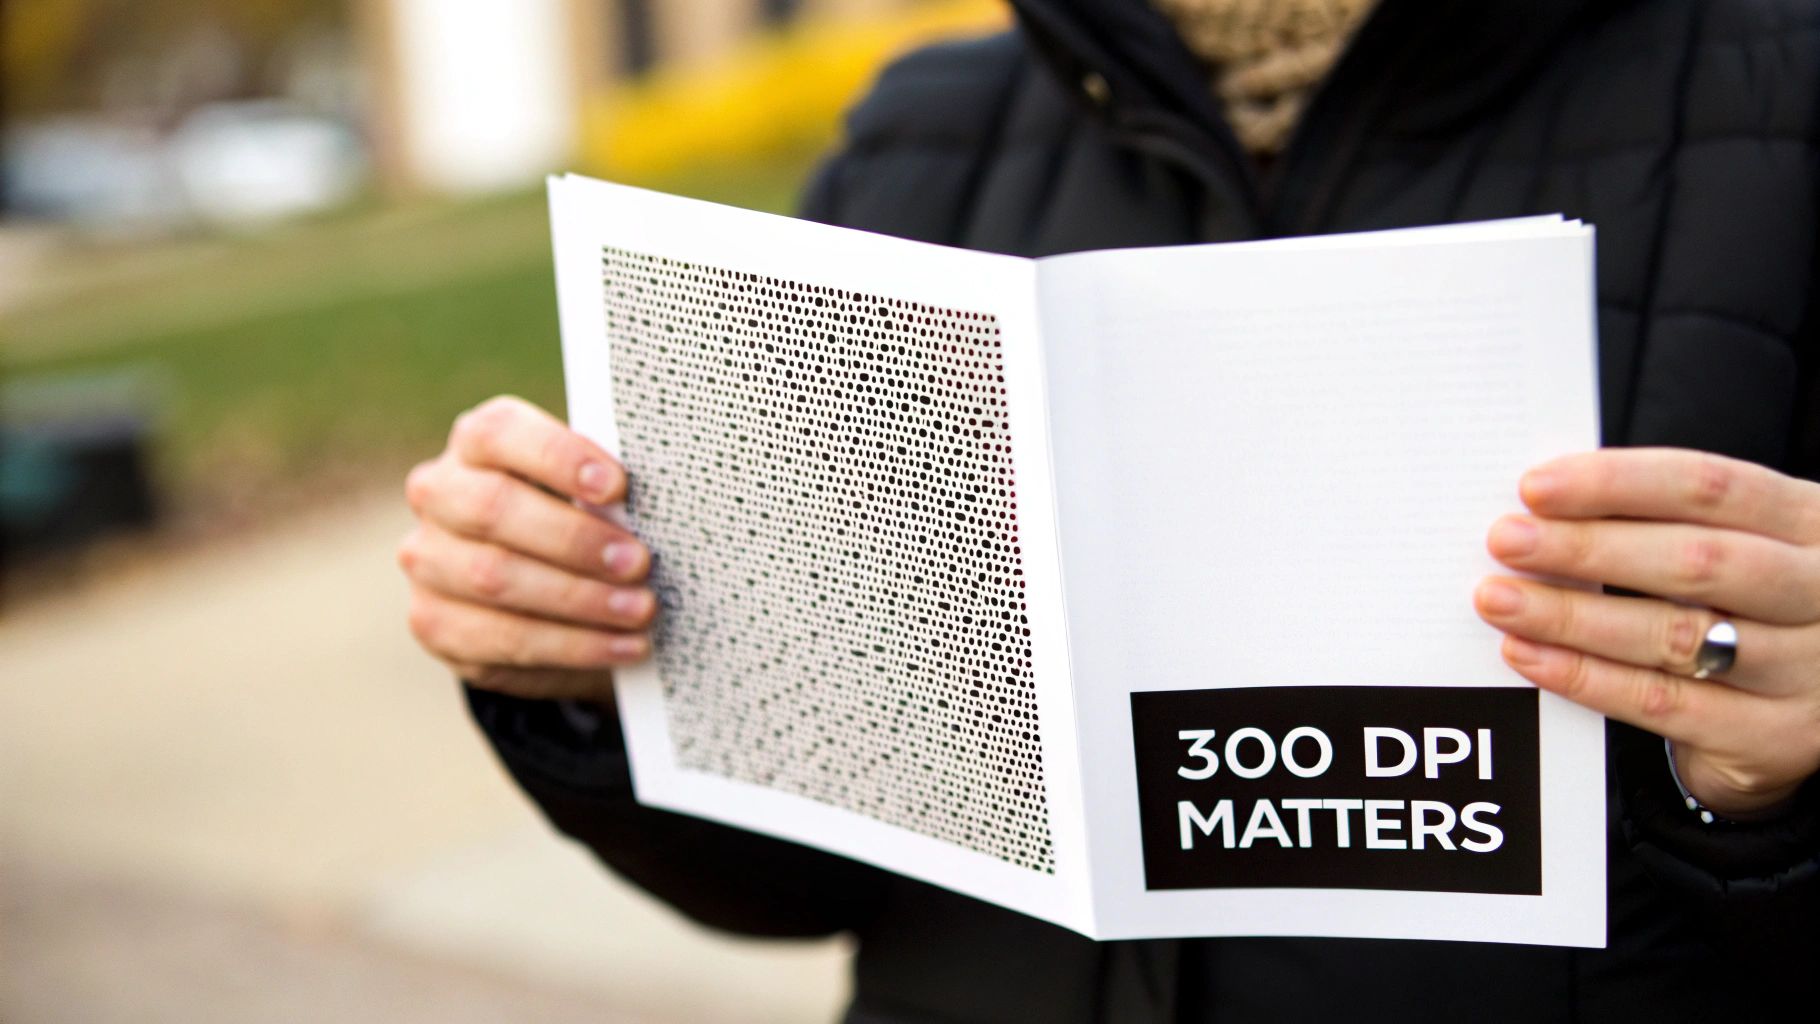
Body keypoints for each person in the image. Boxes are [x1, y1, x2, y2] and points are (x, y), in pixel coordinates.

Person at [398, 1, 1820, 1019]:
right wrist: (597, 675)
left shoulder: (1780, 90)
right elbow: (801, 879)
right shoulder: (920, 142)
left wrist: (1780, 792)